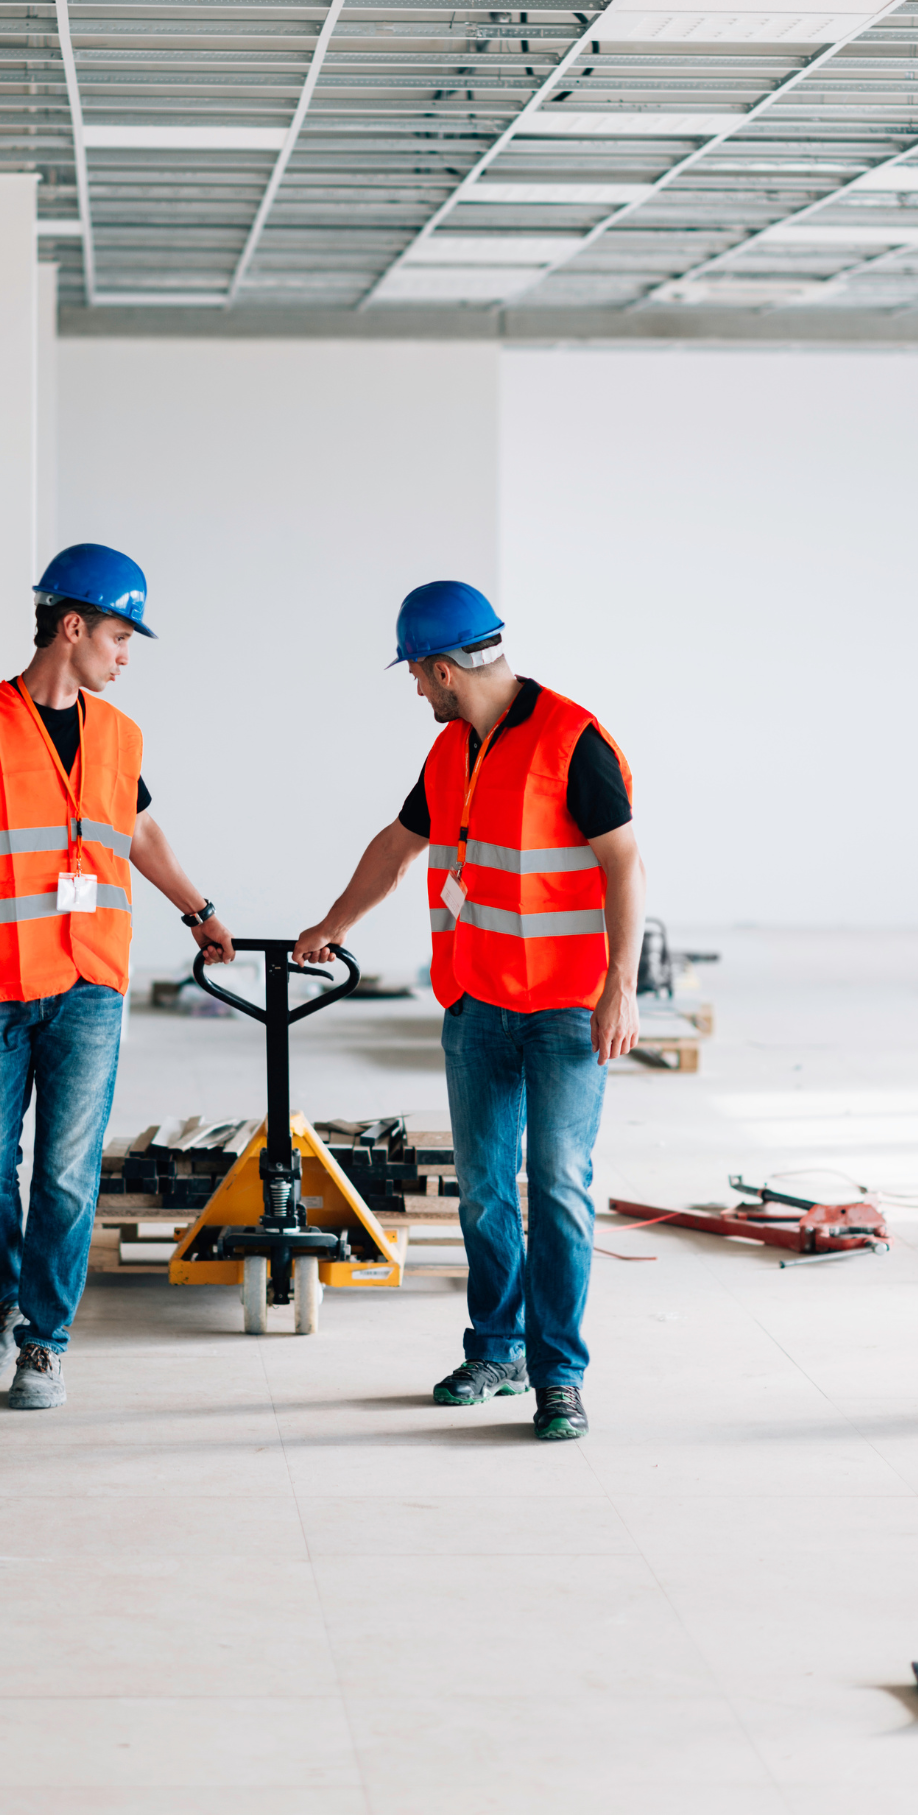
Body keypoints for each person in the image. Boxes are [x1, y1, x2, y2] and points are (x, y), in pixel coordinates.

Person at [0, 544, 233, 1411]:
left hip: (88, 986)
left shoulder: (118, 735)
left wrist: (198, 909)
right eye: (119, 635)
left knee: (68, 1176)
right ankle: (5, 1294)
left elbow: (138, 834)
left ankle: (43, 1343)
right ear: (71, 627)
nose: (124, 655)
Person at [295, 582, 644, 1442]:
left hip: (568, 1011)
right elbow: (398, 845)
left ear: (444, 669)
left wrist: (621, 986)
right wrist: (334, 925)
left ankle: (558, 1377)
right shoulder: (452, 752)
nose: (417, 690)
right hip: (479, 1005)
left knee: (558, 1190)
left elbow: (623, 866)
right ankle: (497, 1349)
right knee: (486, 1193)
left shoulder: (573, 739)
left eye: (417, 675)